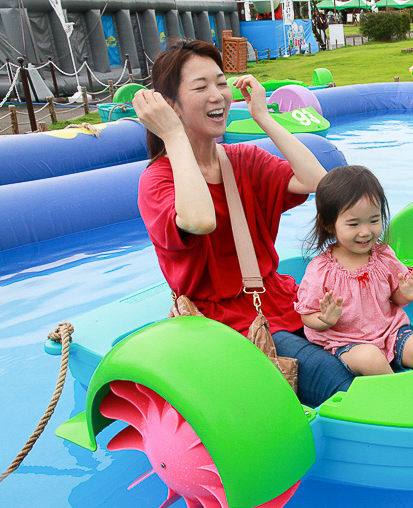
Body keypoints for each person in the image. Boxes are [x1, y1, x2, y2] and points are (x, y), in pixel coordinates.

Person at [133, 40, 355, 407]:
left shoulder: (243, 159)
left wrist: (264, 118)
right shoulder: (157, 181)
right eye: (200, 87)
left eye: (221, 82)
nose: (218, 95)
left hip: (283, 301)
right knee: (335, 379)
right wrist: (172, 134)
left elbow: (319, 183)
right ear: (170, 105)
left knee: (368, 345)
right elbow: (201, 220)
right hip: (228, 325)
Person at [295, 166, 413, 376]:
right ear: (328, 224)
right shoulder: (321, 270)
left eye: (374, 220)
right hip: (346, 341)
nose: (365, 232)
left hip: (390, 332)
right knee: (371, 360)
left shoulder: (383, 256)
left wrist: (405, 295)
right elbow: (306, 315)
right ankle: (397, 396)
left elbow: (394, 298)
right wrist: (325, 319)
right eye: (353, 224)